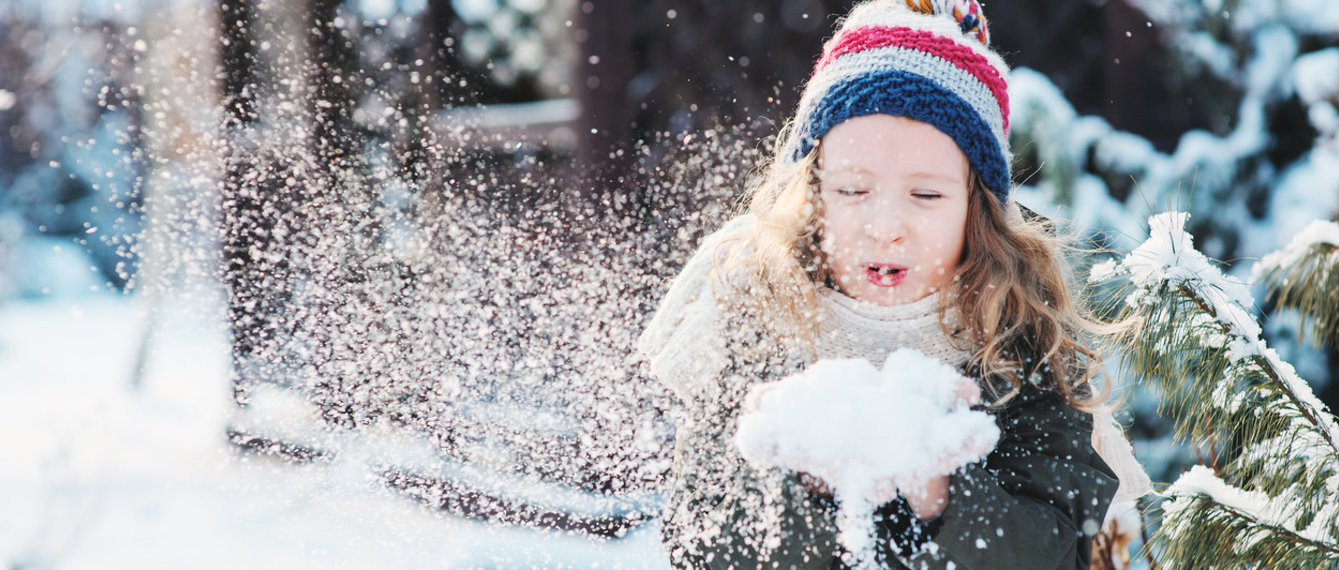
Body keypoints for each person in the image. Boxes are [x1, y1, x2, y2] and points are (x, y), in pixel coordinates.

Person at [637, 0, 1150, 568]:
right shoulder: (763, 318)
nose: (885, 228)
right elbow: (696, 536)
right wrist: (806, 488)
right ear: (814, 197)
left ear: (977, 211)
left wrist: (942, 491)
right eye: (854, 191)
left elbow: (1056, 547)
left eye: (925, 195)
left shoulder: (1018, 341)